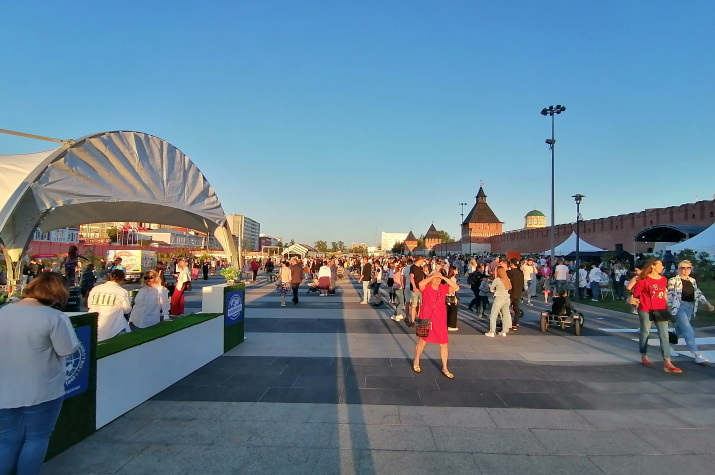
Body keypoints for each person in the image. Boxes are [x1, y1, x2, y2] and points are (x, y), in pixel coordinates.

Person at [0, 273, 79, 475]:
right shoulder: (54, 317)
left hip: (5, 389)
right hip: (42, 389)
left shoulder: (4, 312)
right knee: (37, 437)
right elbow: (66, 350)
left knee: (7, 440)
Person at [632, 259, 682, 373]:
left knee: (664, 335)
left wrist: (668, 305)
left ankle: (667, 361)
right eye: (660, 265)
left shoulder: (663, 279)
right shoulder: (644, 279)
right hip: (646, 309)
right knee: (645, 332)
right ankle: (644, 355)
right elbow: (636, 294)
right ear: (653, 266)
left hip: (660, 310)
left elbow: (663, 293)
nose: (662, 267)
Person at [412, 270, 460, 379]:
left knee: (444, 344)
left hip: (440, 320)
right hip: (425, 318)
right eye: (436, 278)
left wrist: (443, 278)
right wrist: (431, 276)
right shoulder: (426, 288)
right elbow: (420, 284)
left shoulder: (443, 288)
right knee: (422, 341)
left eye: (439, 279)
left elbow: (455, 287)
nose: (438, 280)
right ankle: (416, 361)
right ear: (430, 278)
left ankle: (445, 367)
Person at [667, 260, 713, 364]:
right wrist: (669, 305)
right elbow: (669, 294)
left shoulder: (692, 281)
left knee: (679, 328)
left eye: (688, 268)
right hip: (679, 307)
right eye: (683, 268)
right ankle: (697, 354)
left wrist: (706, 303)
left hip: (690, 306)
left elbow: (698, 293)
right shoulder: (673, 280)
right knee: (688, 329)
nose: (686, 270)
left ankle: (668, 345)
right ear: (679, 269)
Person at [88, 269, 132, 341]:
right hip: (114, 328)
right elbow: (127, 310)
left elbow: (89, 305)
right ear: (121, 279)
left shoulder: (95, 289)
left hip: (95, 325)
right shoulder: (122, 291)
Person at [486, 266, 512, 337]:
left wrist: (490, 286)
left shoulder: (497, 280)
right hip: (507, 298)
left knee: (493, 315)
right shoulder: (507, 279)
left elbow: (491, 289)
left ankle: (492, 331)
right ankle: (504, 331)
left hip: (499, 298)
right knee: (505, 314)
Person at [506, 259, 524, 331]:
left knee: (506, 308)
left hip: (511, 293)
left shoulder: (509, 272)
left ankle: (506, 323)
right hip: (518, 293)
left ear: (512, 264)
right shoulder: (521, 273)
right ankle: (515, 323)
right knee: (516, 309)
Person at [408, 256, 427, 325]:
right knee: (414, 305)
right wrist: (414, 286)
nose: (423, 262)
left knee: (422, 304)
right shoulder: (413, 267)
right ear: (420, 260)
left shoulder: (421, 268)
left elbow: (424, 277)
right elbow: (411, 277)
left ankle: (420, 318)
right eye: (423, 260)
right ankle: (412, 320)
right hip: (415, 289)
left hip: (422, 289)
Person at [445, 266, 459, 331]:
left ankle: (448, 324)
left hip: (448, 295)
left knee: (449, 310)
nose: (457, 271)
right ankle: (451, 325)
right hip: (451, 295)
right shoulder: (453, 279)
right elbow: (454, 288)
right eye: (456, 270)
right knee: (453, 310)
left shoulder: (449, 278)